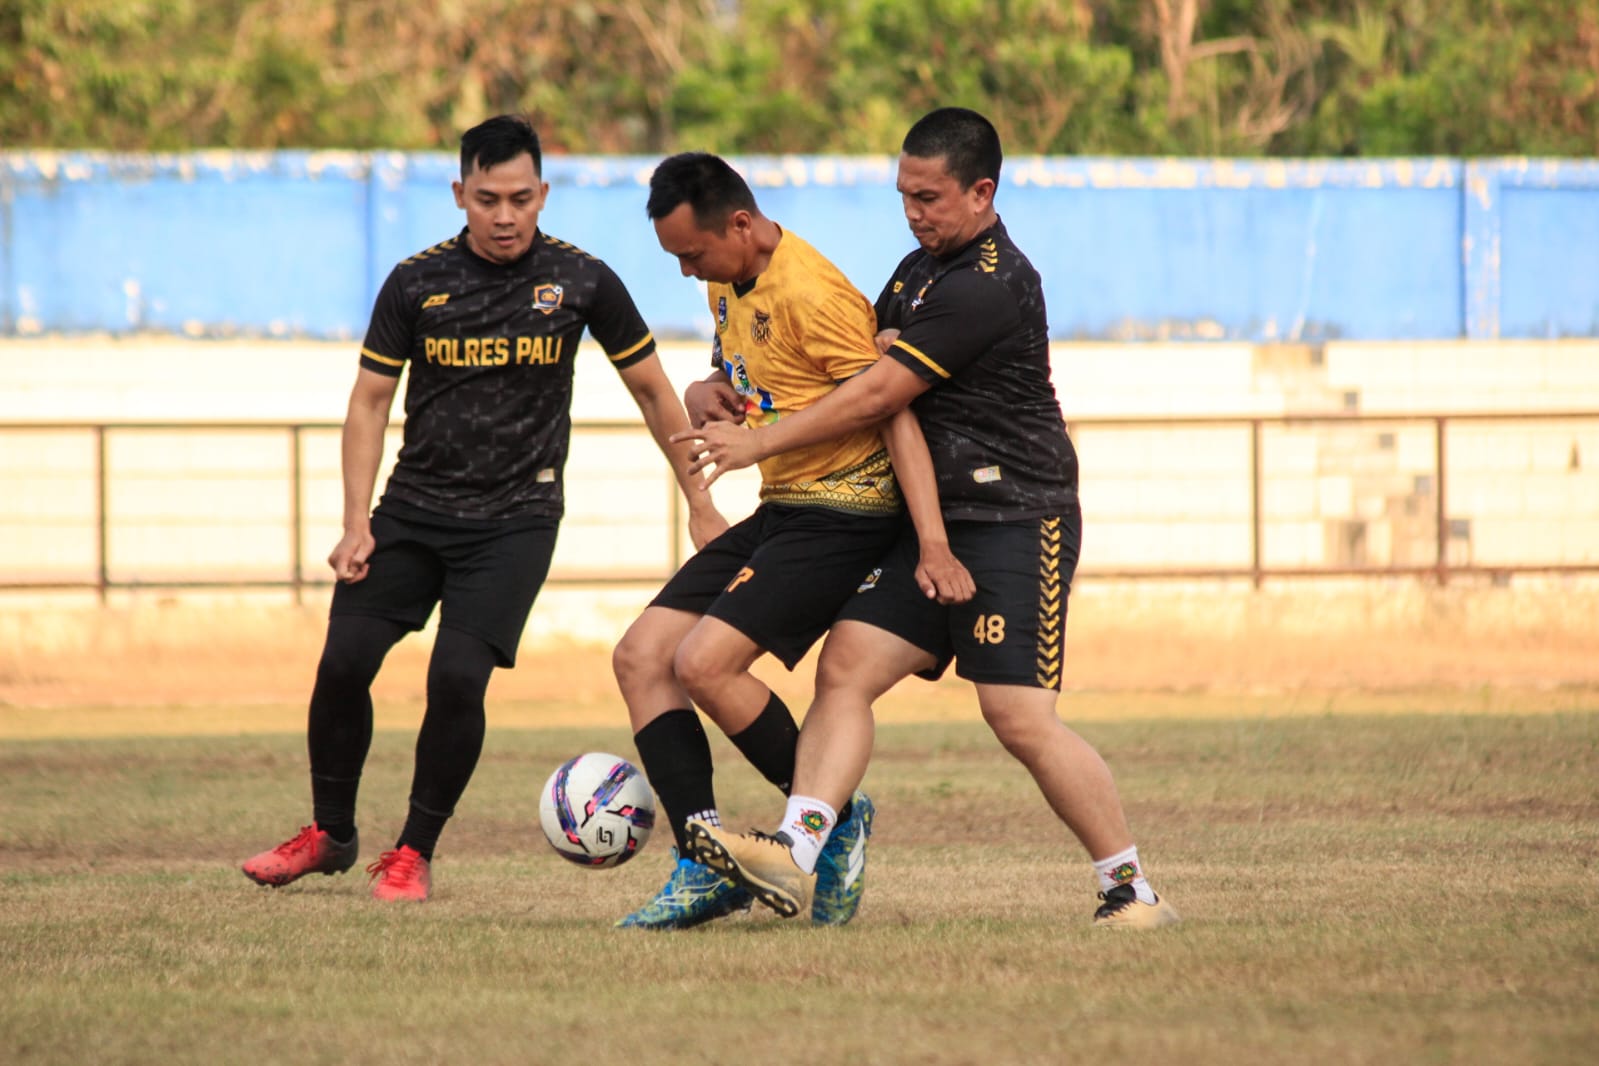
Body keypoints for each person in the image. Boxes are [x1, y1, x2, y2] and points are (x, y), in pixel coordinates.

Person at [674, 107, 1180, 929]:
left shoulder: (991, 282)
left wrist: (758, 441)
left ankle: (1129, 888)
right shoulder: (916, 272)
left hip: (1017, 516)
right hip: (931, 524)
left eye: (931, 197)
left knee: (1016, 716)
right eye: (904, 194)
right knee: (846, 667)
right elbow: (851, 370)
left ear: (982, 193)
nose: (914, 212)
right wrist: (715, 386)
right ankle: (798, 853)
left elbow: (876, 393)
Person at [240, 114, 726, 902]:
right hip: (411, 512)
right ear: (460, 193)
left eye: (521, 198)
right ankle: (329, 834)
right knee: (342, 664)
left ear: (542, 195)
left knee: (457, 678)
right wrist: (356, 521)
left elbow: (651, 391)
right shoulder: (414, 282)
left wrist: (700, 505)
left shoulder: (583, 280)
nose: (505, 216)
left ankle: (412, 853)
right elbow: (368, 403)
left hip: (515, 521)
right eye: (489, 198)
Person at [613, 151, 971, 930]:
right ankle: (700, 856)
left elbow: (890, 411)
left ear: (740, 224)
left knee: (701, 663)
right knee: (641, 656)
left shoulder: (814, 293)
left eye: (693, 254)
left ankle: (829, 817)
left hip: (847, 511)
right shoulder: (725, 277)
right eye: (675, 258)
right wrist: (706, 393)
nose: (686, 273)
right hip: (784, 507)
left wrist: (933, 541)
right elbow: (735, 379)